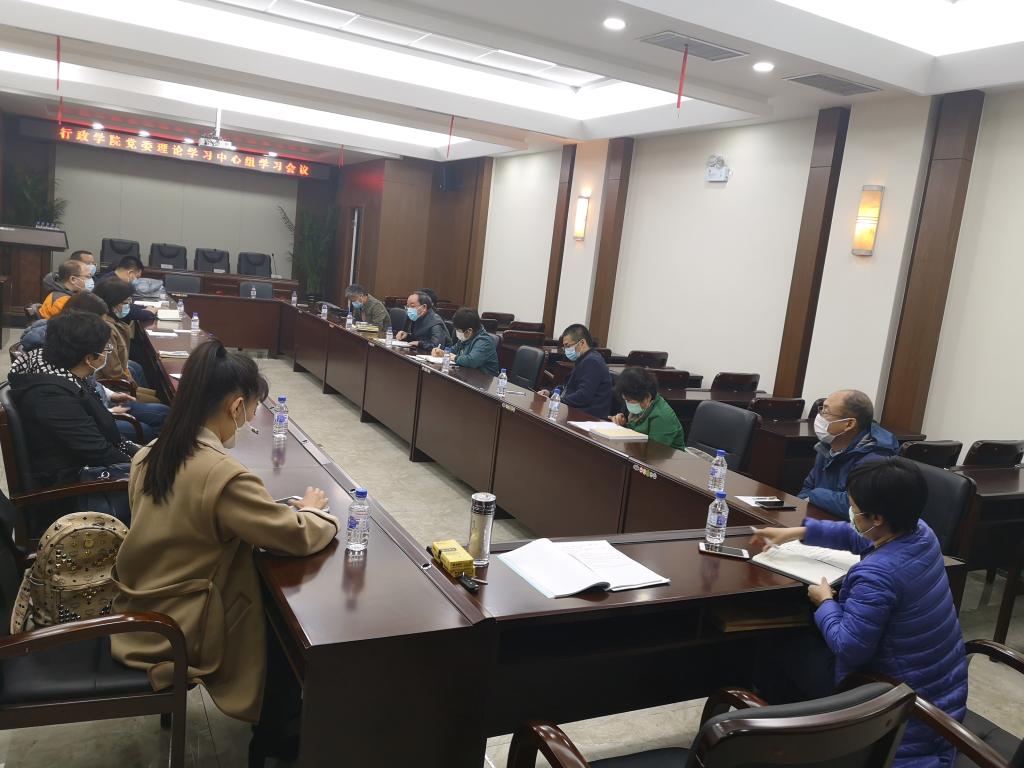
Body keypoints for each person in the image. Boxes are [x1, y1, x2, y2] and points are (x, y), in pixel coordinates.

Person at [110, 341, 338, 765]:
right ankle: (277, 736)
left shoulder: (150, 453)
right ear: (235, 407)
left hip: (141, 605)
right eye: (250, 410)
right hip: (181, 625)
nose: (250, 420)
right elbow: (295, 536)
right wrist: (313, 512)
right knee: (284, 626)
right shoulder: (222, 474)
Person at [751, 458, 967, 767]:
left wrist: (825, 602)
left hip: (895, 709)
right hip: (939, 694)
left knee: (775, 643)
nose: (851, 514)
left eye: (854, 509)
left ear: (877, 518)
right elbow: (858, 536)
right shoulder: (921, 533)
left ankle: (784, 745)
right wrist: (798, 532)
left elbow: (849, 648)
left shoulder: (879, 575)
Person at [8, 311, 138, 488]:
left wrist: (139, 453)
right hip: (72, 486)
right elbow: (99, 451)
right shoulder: (52, 397)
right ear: (89, 358)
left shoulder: (61, 371)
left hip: (84, 466)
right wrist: (143, 466)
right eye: (104, 350)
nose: (105, 354)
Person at [800, 390, 899, 517]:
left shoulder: (876, 459)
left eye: (826, 412)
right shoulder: (826, 447)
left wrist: (815, 495)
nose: (819, 417)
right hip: (820, 520)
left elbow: (856, 507)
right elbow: (806, 489)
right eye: (821, 409)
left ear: (849, 424)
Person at [92, 279, 164, 405]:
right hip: (111, 388)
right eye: (125, 302)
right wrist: (130, 383)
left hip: (116, 384)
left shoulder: (114, 323)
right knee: (159, 405)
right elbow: (113, 372)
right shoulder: (106, 329)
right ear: (112, 304)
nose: (129, 306)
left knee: (156, 395)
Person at [538, 324, 612, 419]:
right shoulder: (584, 359)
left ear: (582, 343)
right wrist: (551, 394)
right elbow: (569, 387)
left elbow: (583, 396)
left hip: (588, 417)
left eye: (568, 346)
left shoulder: (592, 362)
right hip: (576, 412)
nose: (565, 350)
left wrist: (558, 401)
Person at [611, 367, 686, 449]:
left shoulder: (662, 417)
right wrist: (623, 425)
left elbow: (654, 451)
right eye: (625, 399)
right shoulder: (641, 406)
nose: (627, 403)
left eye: (629, 400)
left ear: (647, 397)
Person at [442, 308, 499, 375]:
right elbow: (453, 350)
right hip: (468, 374)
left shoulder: (484, 341)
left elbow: (472, 361)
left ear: (469, 331)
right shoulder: (466, 337)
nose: (457, 332)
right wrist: (442, 352)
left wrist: (454, 358)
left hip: (484, 378)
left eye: (458, 330)